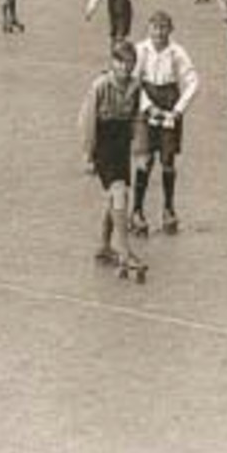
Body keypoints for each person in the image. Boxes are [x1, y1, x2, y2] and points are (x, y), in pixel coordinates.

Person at [78, 40, 148, 282]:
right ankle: (125, 250)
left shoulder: (136, 86)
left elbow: (138, 118)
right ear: (113, 62)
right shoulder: (100, 85)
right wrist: (88, 154)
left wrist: (140, 150)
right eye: (121, 62)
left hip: (121, 143)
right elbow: (87, 121)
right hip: (103, 141)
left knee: (116, 195)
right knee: (120, 193)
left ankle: (104, 245)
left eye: (130, 63)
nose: (125, 68)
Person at [127, 11, 200, 239]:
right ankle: (137, 210)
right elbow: (133, 82)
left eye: (163, 28)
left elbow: (193, 81)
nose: (159, 33)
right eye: (155, 28)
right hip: (145, 101)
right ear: (148, 29)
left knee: (168, 160)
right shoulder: (140, 51)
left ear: (170, 30)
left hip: (169, 99)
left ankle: (168, 209)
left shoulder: (177, 53)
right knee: (145, 159)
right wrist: (148, 107)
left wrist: (178, 109)